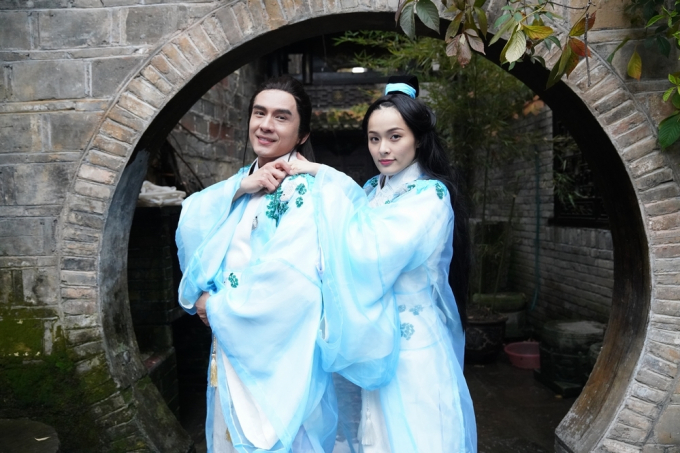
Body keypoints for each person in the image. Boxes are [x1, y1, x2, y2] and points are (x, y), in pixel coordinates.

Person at [291, 75, 477, 453]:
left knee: (419, 435)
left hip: (414, 344)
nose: (383, 149)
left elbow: (371, 253)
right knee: (379, 435)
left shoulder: (430, 195)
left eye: (395, 137)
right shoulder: (372, 189)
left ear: (419, 139)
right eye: (374, 138)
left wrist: (326, 176)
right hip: (378, 337)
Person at [175, 76, 337, 453]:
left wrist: (216, 306)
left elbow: (291, 284)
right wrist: (240, 188)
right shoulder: (244, 181)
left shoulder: (302, 192)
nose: (265, 125)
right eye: (259, 113)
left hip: (276, 348)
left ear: (302, 135)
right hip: (231, 340)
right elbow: (192, 216)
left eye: (281, 117)